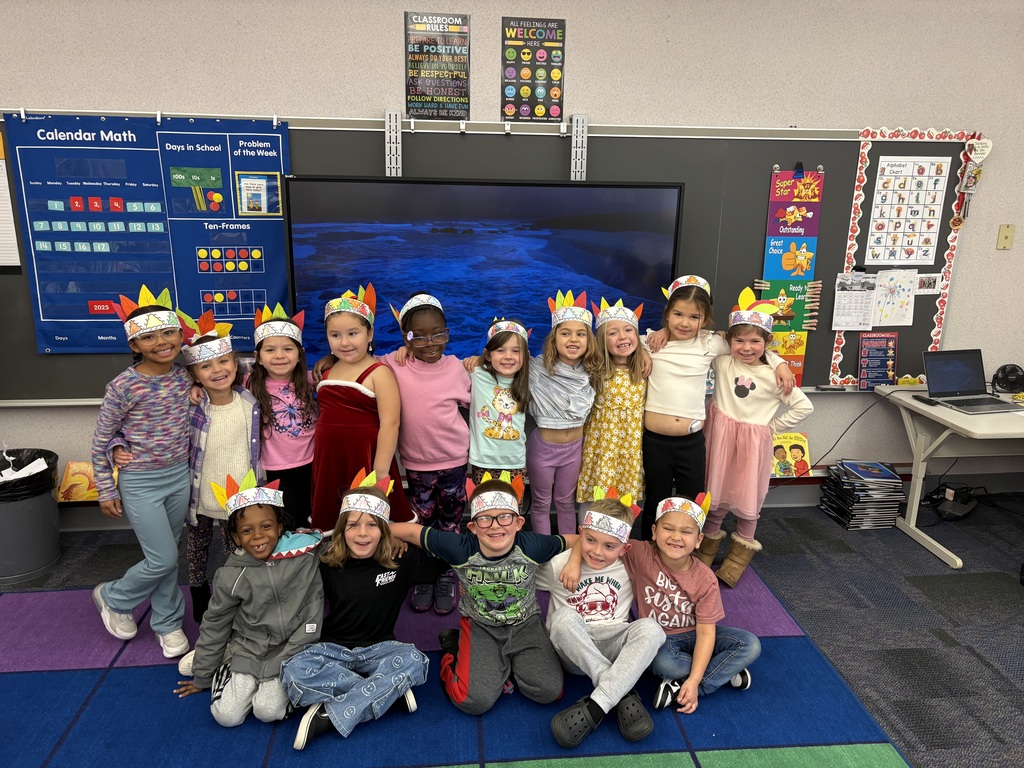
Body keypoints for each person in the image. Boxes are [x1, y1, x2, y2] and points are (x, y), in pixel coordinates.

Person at [282, 470, 448, 749]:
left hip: (382, 650)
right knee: (292, 670)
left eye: (372, 525)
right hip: (332, 650)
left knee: (415, 660)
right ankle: (387, 691)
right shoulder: (325, 560)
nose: (362, 533)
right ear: (341, 529)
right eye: (353, 525)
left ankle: (327, 715)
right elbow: (285, 558)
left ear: (384, 529)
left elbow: (447, 552)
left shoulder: (400, 559)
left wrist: (401, 533)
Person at [390, 472, 577, 716]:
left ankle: (504, 666)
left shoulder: (532, 545)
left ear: (519, 523)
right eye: (485, 520)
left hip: (526, 624)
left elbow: (576, 539)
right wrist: (382, 533)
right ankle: (451, 651)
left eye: (504, 518)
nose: (496, 525)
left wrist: (575, 561)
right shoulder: (460, 548)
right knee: (472, 701)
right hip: (481, 626)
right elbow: (410, 532)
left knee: (549, 691)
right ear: (473, 527)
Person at [562, 493, 760, 715]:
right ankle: (721, 670)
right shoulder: (638, 552)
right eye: (668, 528)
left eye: (686, 532)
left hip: (697, 634)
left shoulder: (705, 578)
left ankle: (688, 686)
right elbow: (583, 537)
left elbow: (706, 633)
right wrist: (573, 561)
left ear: (699, 540)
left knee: (750, 644)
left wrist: (695, 683)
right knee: (664, 665)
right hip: (661, 641)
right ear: (654, 532)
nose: (676, 537)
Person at [641, 275, 794, 539]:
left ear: (705, 318)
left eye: (694, 317)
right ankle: (648, 553)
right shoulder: (651, 342)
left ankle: (686, 554)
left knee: (692, 501)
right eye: (678, 314)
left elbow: (749, 343)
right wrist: (646, 346)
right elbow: (623, 346)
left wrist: (777, 361)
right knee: (656, 498)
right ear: (667, 313)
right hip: (655, 442)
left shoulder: (711, 343)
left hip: (691, 443)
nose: (685, 323)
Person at [174, 471, 324, 727]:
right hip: (249, 649)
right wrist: (202, 676)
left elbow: (349, 544)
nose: (257, 536)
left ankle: (236, 667)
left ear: (279, 527)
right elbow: (215, 624)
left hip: (294, 649)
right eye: (246, 530)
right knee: (227, 717)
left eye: (266, 526)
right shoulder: (231, 574)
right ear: (235, 537)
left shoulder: (306, 554)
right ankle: (224, 662)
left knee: (268, 712)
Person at [91, 286, 192, 659]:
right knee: (162, 557)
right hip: (141, 482)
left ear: (181, 336)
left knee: (167, 554)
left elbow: (231, 368)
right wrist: (106, 487)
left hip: (179, 476)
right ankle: (114, 597)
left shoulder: (187, 377)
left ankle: (167, 623)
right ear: (135, 345)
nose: (161, 342)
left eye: (168, 333)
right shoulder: (122, 386)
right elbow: (102, 437)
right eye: (148, 337)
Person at [697, 289, 813, 585]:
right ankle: (703, 557)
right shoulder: (724, 363)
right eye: (739, 340)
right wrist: (778, 359)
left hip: (752, 445)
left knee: (748, 498)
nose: (746, 347)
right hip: (721, 439)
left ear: (766, 342)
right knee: (716, 494)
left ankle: (736, 560)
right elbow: (706, 341)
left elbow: (804, 406)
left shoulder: (774, 376)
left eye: (755, 341)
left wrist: (772, 427)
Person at [539, 487, 665, 749]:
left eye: (609, 546)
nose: (597, 552)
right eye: (591, 541)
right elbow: (519, 578)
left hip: (613, 646)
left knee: (652, 629)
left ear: (624, 548)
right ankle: (620, 690)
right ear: (581, 535)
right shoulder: (559, 564)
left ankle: (599, 704)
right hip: (572, 650)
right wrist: (574, 556)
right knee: (562, 618)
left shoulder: (632, 566)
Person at [382, 293, 471, 614]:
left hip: (455, 463)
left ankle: (445, 571)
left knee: (451, 519)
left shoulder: (458, 368)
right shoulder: (393, 363)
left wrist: (479, 362)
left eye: (438, 333)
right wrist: (325, 364)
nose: (429, 342)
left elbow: (485, 399)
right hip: (417, 465)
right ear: (404, 336)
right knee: (421, 521)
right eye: (416, 336)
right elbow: (358, 365)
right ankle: (423, 572)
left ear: (448, 331)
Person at [179, 310, 262, 623]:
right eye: (206, 366)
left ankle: (237, 597)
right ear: (195, 374)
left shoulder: (251, 401)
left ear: (235, 364)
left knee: (237, 550)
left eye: (223, 361)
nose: (217, 370)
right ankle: (200, 599)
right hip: (200, 495)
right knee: (196, 550)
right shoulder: (191, 407)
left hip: (239, 495)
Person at [311, 284, 411, 530]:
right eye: (335, 335)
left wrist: (380, 471)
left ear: (370, 333)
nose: (344, 342)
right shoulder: (327, 369)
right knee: (334, 519)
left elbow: (390, 423)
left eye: (352, 333)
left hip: (364, 458)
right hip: (330, 459)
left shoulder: (379, 372)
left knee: (369, 518)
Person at [526, 290, 603, 534]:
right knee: (540, 503)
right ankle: (544, 554)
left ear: (589, 340)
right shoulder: (536, 369)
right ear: (554, 338)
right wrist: (475, 359)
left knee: (565, 502)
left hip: (574, 449)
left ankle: (568, 552)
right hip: (543, 449)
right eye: (565, 333)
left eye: (581, 334)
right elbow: (503, 359)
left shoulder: (593, 370)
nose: (573, 339)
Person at [248, 303, 318, 528]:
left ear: (300, 354)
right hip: (276, 471)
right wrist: (196, 385)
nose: (279, 356)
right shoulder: (248, 383)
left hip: (313, 466)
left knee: (314, 521)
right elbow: (214, 374)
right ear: (258, 357)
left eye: (288, 349)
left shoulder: (313, 380)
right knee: (286, 525)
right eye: (270, 350)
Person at [577, 298, 648, 504]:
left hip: (630, 447)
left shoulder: (644, 369)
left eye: (628, 330)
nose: (622, 337)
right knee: (595, 495)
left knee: (626, 498)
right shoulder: (593, 369)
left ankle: (621, 536)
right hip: (601, 446)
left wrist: (646, 352)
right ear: (601, 340)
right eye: (612, 333)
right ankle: (588, 533)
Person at [467, 318, 532, 508]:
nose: (508, 356)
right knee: (484, 509)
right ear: (487, 354)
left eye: (515, 350)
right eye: (500, 350)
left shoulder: (529, 378)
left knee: (513, 509)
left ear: (526, 355)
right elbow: (442, 365)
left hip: (515, 462)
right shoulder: (476, 373)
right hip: (483, 461)